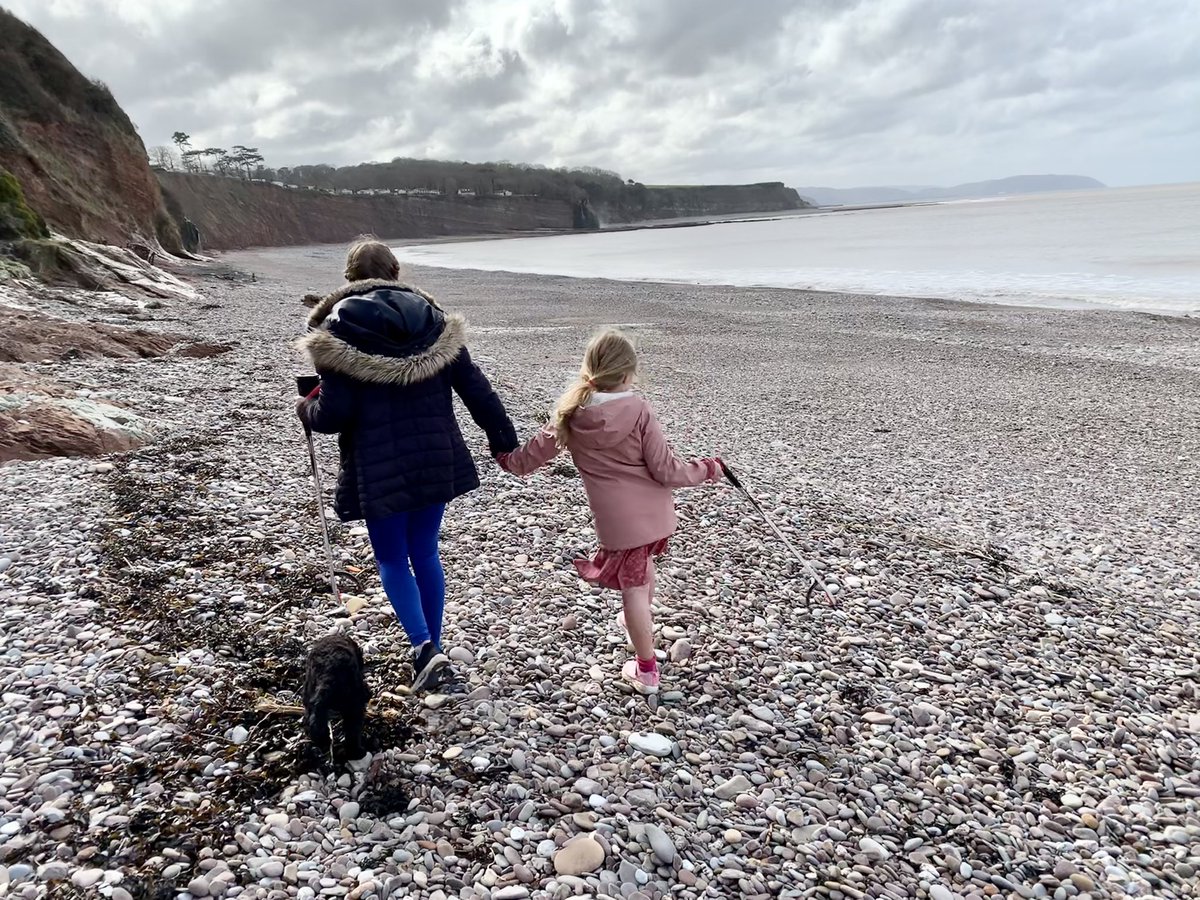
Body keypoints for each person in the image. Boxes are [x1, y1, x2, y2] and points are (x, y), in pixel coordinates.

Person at [296, 238, 518, 692]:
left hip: (379, 465)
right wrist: (503, 440)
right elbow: (476, 388)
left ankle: (423, 649)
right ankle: (432, 652)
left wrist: (305, 407)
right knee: (425, 551)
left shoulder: (338, 335)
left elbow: (333, 416)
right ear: (396, 271)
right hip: (436, 456)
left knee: (393, 558)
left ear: (350, 278)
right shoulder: (436, 325)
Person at [497, 329, 722, 694]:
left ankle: (645, 657)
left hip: (619, 523)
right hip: (654, 515)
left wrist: (507, 459)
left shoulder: (569, 413)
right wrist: (708, 468)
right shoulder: (637, 409)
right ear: (626, 374)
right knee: (638, 581)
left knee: (636, 583)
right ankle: (645, 661)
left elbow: (527, 460)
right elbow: (666, 470)